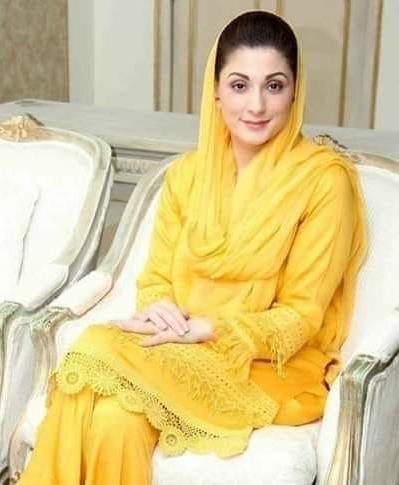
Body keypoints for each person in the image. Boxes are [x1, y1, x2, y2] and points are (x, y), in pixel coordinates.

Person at [19, 10, 368, 485]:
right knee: (112, 419)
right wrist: (160, 308)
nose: (257, 105)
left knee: (95, 344)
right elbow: (156, 279)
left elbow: (302, 316)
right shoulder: (186, 175)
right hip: (177, 346)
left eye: (275, 85)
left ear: (295, 92)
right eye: (240, 85)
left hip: (267, 366)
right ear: (216, 91)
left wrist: (211, 329)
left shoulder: (323, 182)